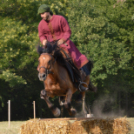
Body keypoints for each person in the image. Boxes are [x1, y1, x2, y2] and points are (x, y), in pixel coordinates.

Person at [37, 4, 96, 92]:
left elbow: (67, 31)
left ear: (48, 12)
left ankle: (80, 81)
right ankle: (46, 82)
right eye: (40, 14)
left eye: (43, 14)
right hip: (49, 46)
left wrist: (62, 40)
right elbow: (41, 35)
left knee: (72, 59)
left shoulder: (60, 19)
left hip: (63, 44)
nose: (41, 16)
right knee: (43, 60)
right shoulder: (41, 24)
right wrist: (44, 41)